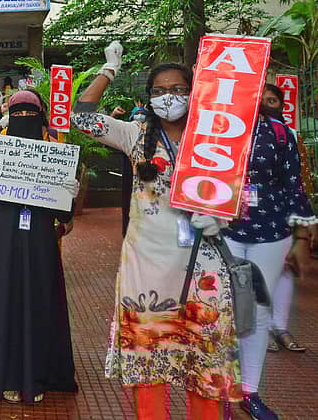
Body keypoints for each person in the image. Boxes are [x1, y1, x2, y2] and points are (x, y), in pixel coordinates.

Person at [71, 43, 239, 419]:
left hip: (204, 266)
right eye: (160, 91)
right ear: (149, 98)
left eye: (178, 89)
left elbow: (243, 193)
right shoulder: (136, 134)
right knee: (147, 356)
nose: (169, 98)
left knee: (205, 358)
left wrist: (225, 216)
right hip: (146, 266)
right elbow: (81, 117)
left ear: (193, 92)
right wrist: (109, 68)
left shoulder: (218, 138)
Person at [0, 90, 78, 404]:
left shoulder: (54, 148)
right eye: (16, 113)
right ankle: (4, 374)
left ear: (40, 115)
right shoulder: (0, 146)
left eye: (28, 113)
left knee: (40, 295)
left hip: (40, 236)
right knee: (4, 296)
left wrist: (68, 194)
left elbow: (64, 212)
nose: (22, 119)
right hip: (7, 232)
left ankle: (39, 374)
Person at [220, 83, 315, 420]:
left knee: (258, 312)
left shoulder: (278, 132)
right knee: (222, 312)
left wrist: (302, 238)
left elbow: (294, 186)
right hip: (219, 232)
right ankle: (223, 393)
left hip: (271, 233)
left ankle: (249, 392)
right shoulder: (208, 126)